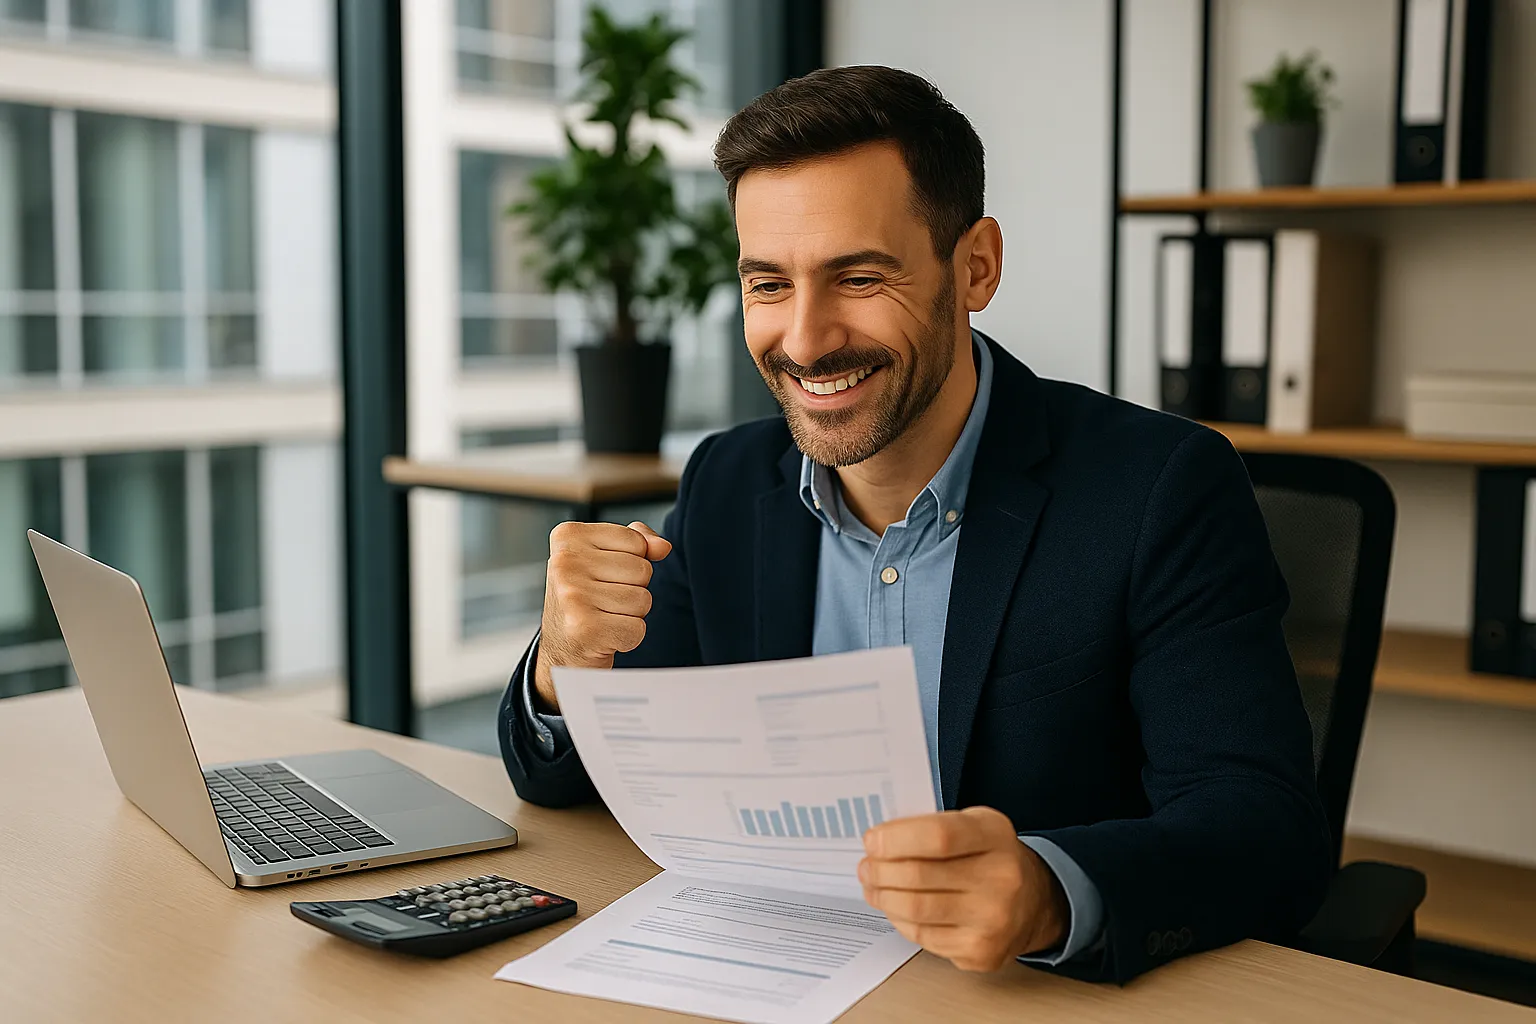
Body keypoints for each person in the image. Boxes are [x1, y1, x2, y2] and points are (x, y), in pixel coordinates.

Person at [497, 65, 1331, 983]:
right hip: (775, 976)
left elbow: (1266, 828)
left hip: (1020, 994)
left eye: (858, 277)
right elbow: (577, 787)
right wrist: (564, 666)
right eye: (768, 283)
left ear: (975, 266)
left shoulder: (1159, 488)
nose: (806, 339)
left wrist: (1052, 890)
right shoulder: (728, 484)